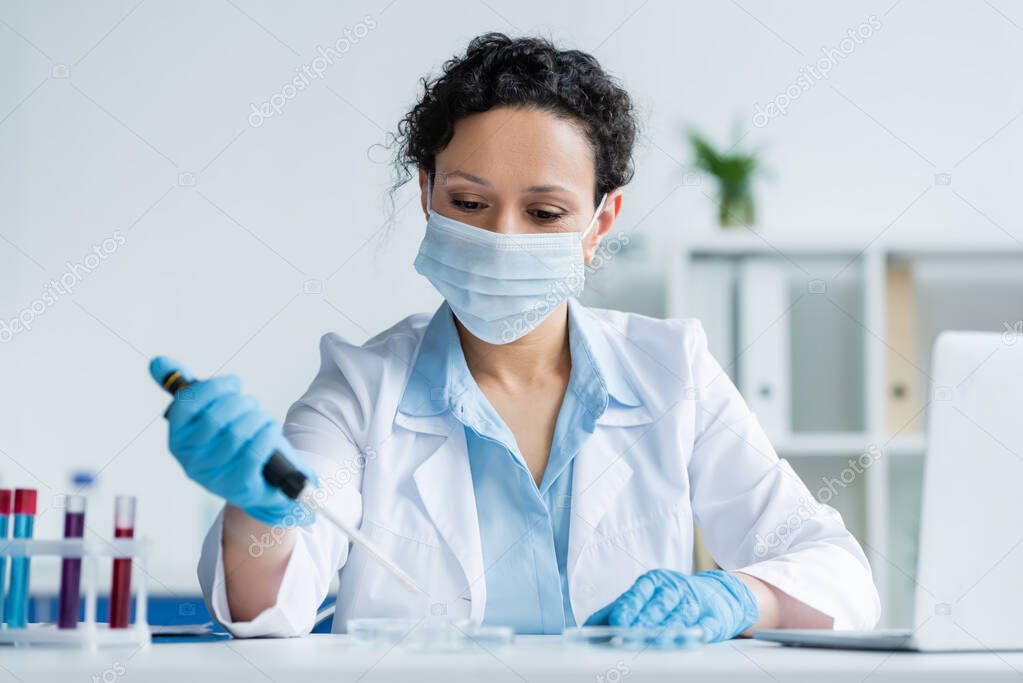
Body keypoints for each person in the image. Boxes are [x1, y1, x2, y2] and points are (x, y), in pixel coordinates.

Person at [151, 33, 880, 640]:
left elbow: (836, 573)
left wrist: (736, 597)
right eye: (469, 201)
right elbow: (263, 610)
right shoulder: (360, 387)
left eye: (543, 212)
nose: (500, 236)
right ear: (426, 196)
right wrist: (262, 508)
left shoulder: (671, 371)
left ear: (599, 222)